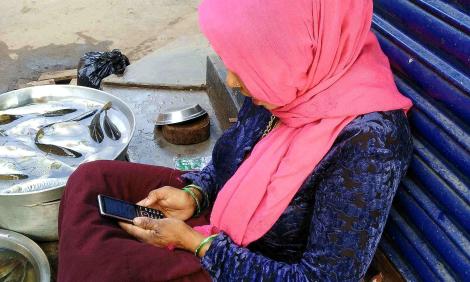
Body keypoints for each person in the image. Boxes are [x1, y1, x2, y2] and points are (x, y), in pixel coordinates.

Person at [57, 0, 414, 281]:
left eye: (242, 65)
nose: (232, 81)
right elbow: (232, 158)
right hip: (227, 208)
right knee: (92, 180)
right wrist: (195, 194)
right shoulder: (290, 75)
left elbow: (320, 277)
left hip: (255, 263)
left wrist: (197, 245)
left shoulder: (371, 141)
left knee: (103, 264)